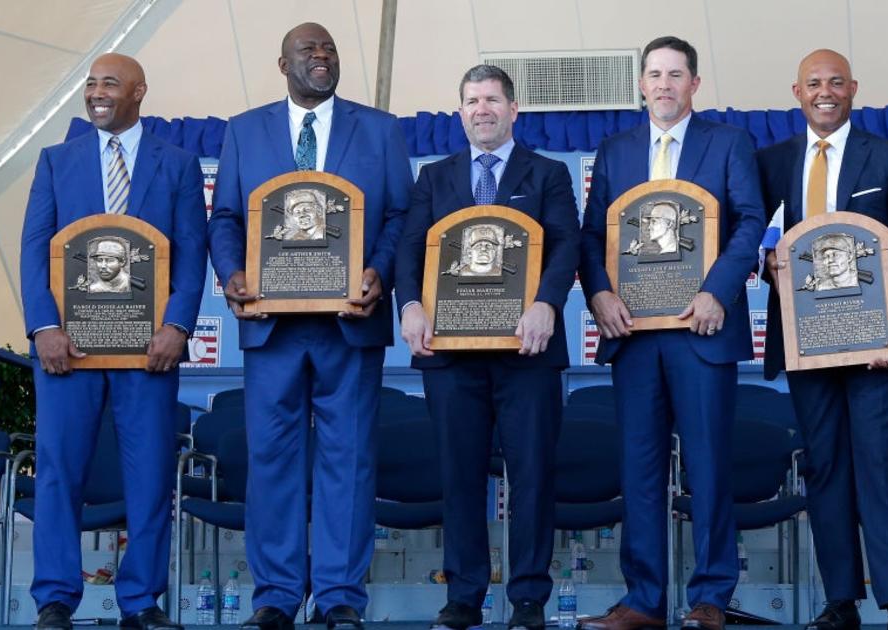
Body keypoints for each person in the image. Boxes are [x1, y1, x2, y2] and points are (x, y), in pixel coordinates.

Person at [206, 22, 412, 630]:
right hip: (272, 327)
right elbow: (222, 218)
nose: (320, 57)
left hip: (349, 324)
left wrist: (379, 270)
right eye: (307, 50)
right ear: (281, 64)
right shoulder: (243, 131)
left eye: (328, 50)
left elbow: (401, 211)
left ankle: (341, 595)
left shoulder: (379, 129)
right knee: (270, 458)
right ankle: (274, 595)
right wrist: (232, 274)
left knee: (348, 460)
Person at [578, 36, 764, 630]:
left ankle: (709, 596)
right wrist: (599, 292)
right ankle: (643, 600)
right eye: (654, 74)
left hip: (701, 330)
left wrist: (717, 290)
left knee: (708, 464)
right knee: (638, 468)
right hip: (632, 333)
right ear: (640, 84)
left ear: (694, 84)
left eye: (675, 74)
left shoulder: (728, 143)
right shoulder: (614, 150)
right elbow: (590, 235)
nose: (664, 84)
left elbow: (750, 221)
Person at [19, 52, 206, 630]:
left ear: (139, 91)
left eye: (110, 83)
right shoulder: (56, 161)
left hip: (147, 350)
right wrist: (44, 327)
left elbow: (192, 252)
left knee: (149, 473)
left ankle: (141, 602)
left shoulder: (175, 163)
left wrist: (176, 326)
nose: (97, 93)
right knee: (58, 471)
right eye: (91, 84)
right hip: (67, 351)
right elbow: (34, 249)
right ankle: (55, 597)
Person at [756, 49, 888, 630]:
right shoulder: (771, 162)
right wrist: (767, 264)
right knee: (825, 467)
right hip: (807, 344)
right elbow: (748, 239)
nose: (825, 92)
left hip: (876, 348)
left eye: (836, 82)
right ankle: (841, 601)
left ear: (854, 88)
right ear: (796, 91)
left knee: (881, 465)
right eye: (814, 83)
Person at [397, 64, 578, 630]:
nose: (483, 109)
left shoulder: (547, 173)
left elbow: (567, 243)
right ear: (460, 112)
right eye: (473, 100)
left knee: (532, 476)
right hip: (450, 356)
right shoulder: (433, 178)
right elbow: (409, 249)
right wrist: (409, 305)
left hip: (527, 352)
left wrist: (547, 302)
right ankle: (464, 597)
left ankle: (528, 598)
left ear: (513, 110)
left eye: (493, 100)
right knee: (459, 475)